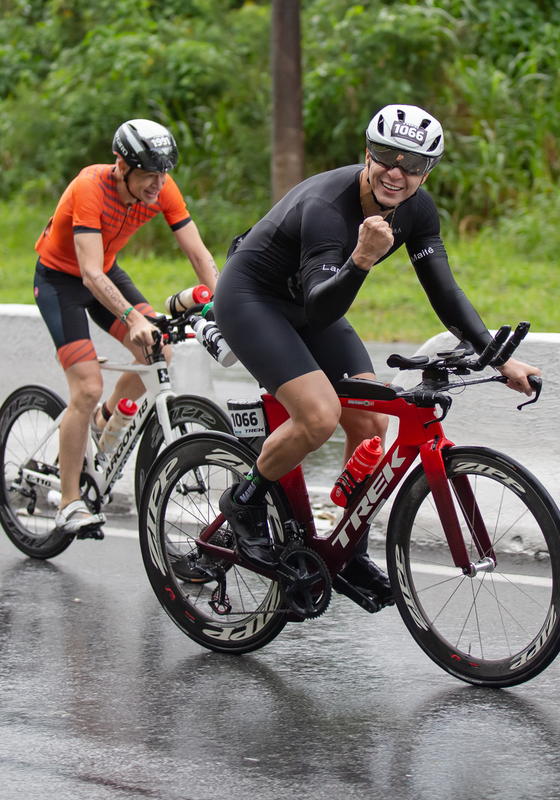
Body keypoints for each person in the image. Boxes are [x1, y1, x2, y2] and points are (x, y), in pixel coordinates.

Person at [213, 104, 541, 608]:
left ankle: (348, 549)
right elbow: (321, 309)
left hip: (311, 301)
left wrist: (499, 358)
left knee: (371, 423)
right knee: (319, 416)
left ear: (427, 171)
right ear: (367, 153)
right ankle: (244, 500)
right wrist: (363, 259)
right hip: (252, 299)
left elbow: (445, 295)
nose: (397, 172)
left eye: (413, 164)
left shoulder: (418, 209)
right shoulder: (328, 206)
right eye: (387, 156)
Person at [33, 119, 220, 535]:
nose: (158, 184)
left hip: (106, 271)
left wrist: (227, 304)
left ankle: (102, 424)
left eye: (164, 172)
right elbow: (88, 275)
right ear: (121, 165)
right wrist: (133, 317)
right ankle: (68, 502)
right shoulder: (89, 187)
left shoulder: (162, 189)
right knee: (86, 387)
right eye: (149, 173)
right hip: (62, 282)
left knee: (159, 351)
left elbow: (197, 253)